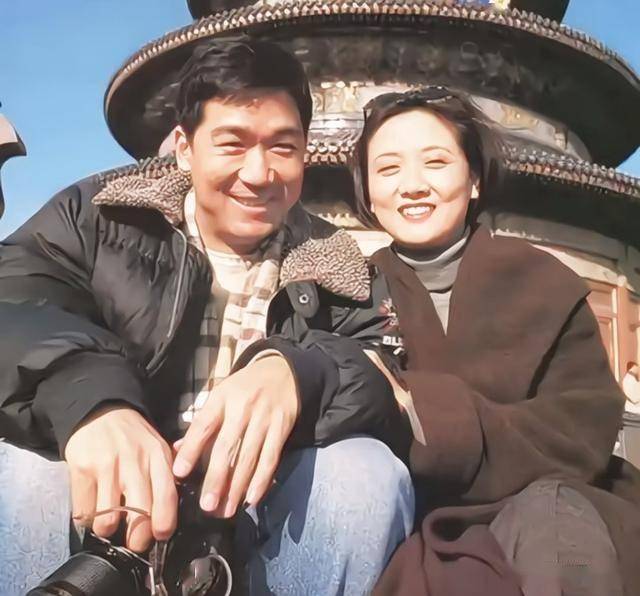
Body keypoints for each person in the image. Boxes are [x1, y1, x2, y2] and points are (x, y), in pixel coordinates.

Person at [0, 39, 413, 595]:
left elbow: (384, 375)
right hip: (112, 501)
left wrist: (302, 374)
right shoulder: (97, 218)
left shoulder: (338, 262)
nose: (259, 173)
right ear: (183, 147)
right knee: (24, 473)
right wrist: (88, 398)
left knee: (366, 477)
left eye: (283, 147)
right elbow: (15, 299)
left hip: (258, 507)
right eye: (232, 143)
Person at [350, 86, 640, 596]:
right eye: (389, 169)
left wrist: (430, 416)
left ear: (474, 180)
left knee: (561, 537)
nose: (412, 186)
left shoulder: (545, 282)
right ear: (369, 194)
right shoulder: (351, 294)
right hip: (411, 513)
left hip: (549, 504)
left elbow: (579, 428)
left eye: (436, 162)